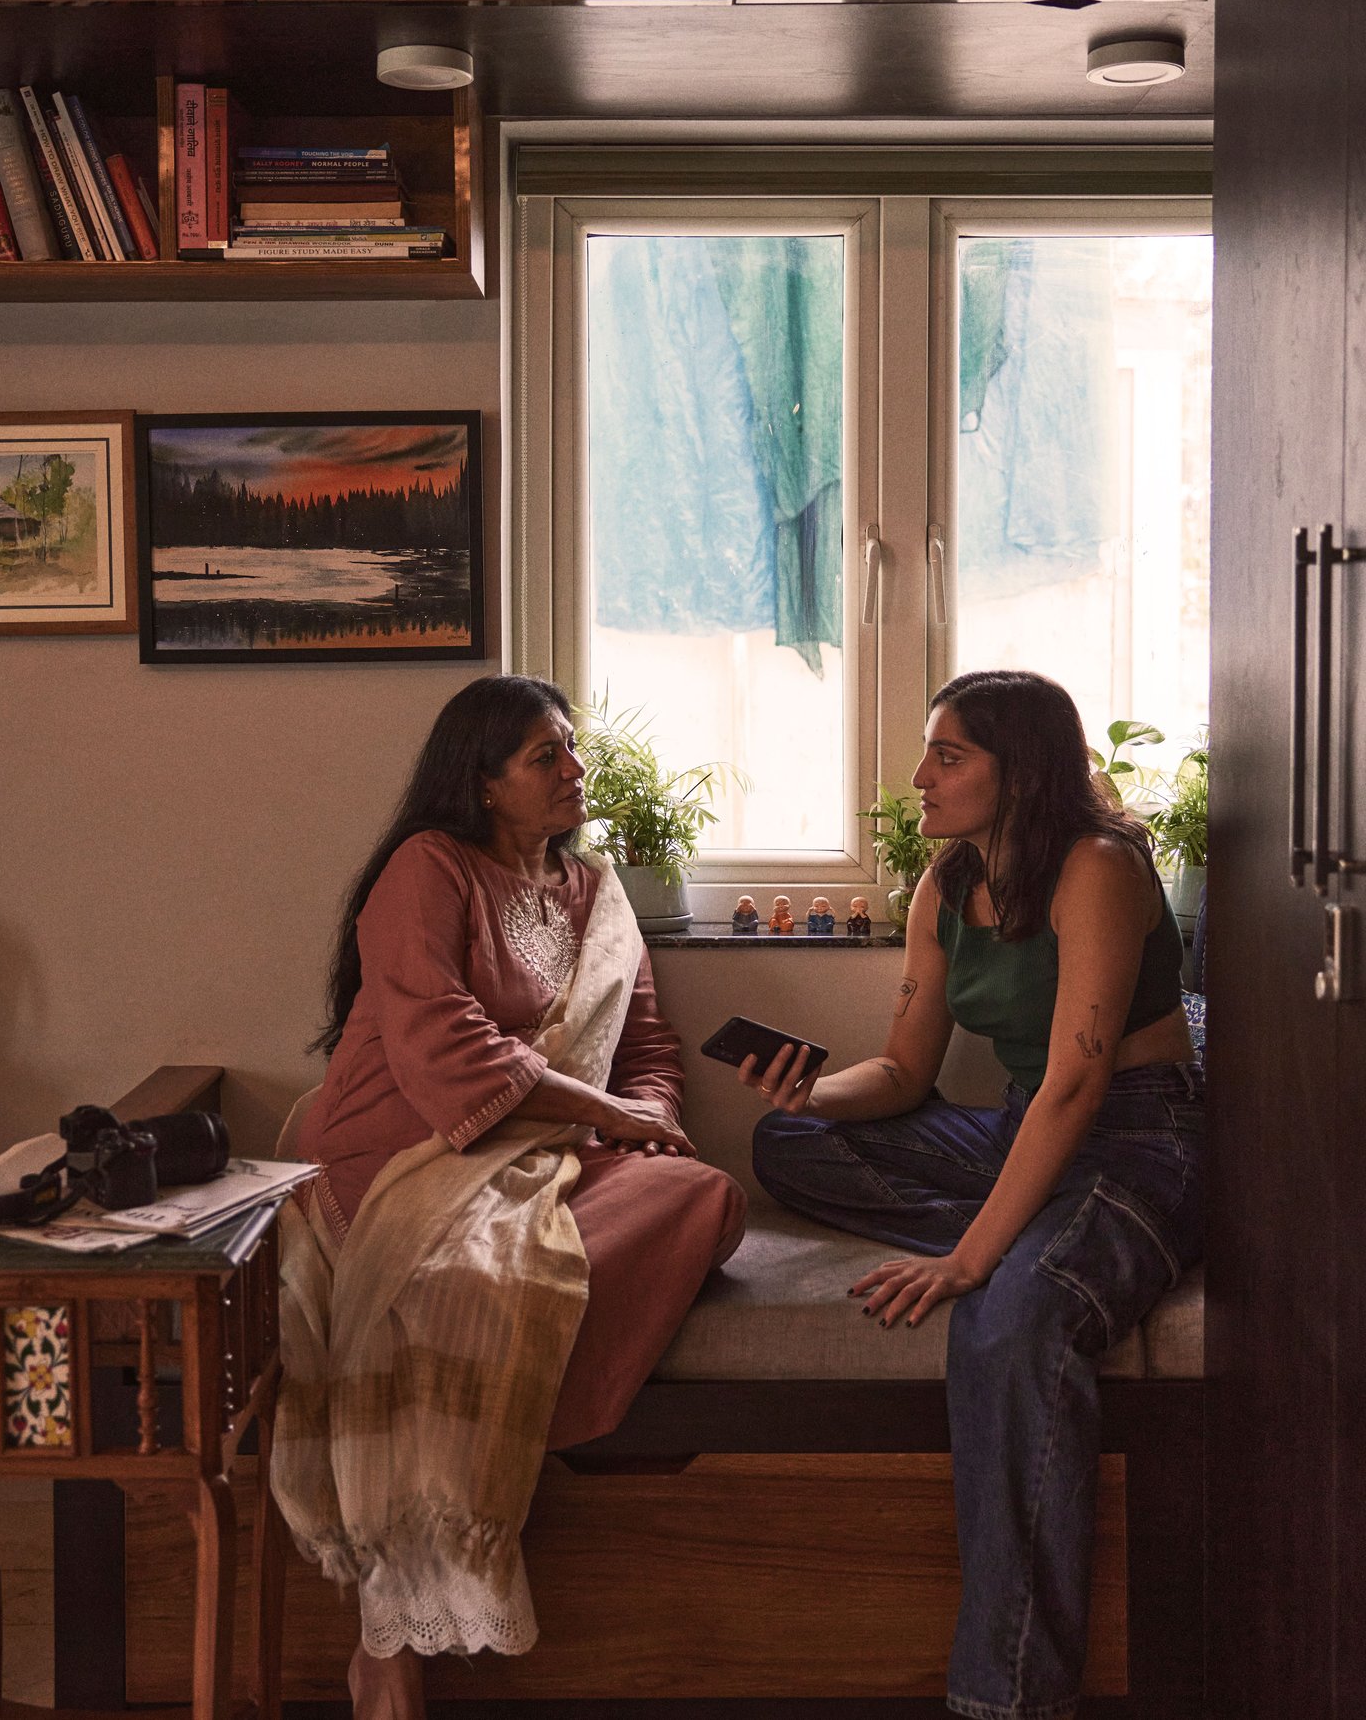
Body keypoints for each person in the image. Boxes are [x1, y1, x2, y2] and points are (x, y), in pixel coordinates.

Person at [272, 675, 746, 1720]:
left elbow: (647, 1047)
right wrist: (611, 1119)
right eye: (547, 756)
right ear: (482, 783)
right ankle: (388, 1621)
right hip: (403, 1149)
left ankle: (529, 1426)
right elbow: (449, 1049)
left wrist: (650, 1121)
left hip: (556, 1149)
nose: (575, 772)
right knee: (462, 1277)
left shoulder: (589, 893)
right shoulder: (427, 869)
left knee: (702, 1195)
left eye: (571, 752)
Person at [742, 670, 1202, 1720]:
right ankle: (1041, 1229)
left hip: (1135, 1139)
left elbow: (1079, 1080)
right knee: (787, 1143)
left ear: (1021, 767)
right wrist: (813, 1090)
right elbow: (904, 1073)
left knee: (1003, 1332)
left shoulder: (1096, 864)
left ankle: (1005, 1701)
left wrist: (968, 1259)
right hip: (1019, 1132)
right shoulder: (947, 884)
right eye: (925, 752)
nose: (917, 778)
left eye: (947, 756)